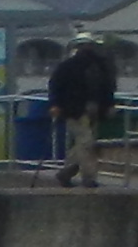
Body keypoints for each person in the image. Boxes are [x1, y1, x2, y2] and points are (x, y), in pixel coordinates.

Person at [46, 40, 119, 188]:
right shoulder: (100, 66)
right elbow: (108, 87)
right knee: (86, 142)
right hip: (78, 110)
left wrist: (55, 104)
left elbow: (108, 87)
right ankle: (89, 177)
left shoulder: (70, 66)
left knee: (84, 143)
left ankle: (66, 172)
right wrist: (55, 104)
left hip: (81, 110)